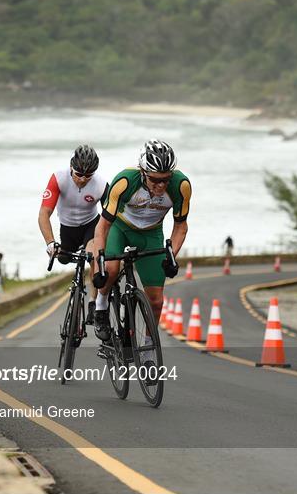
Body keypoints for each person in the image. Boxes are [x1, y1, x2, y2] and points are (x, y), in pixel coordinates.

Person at [92, 139, 192, 346]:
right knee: (110, 269)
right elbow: (102, 227)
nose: (161, 185)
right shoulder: (125, 181)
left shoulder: (181, 186)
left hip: (151, 233)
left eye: (165, 179)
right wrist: (99, 262)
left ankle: (147, 349)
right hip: (119, 228)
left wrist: (171, 255)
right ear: (143, 172)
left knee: (156, 301)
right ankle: (101, 306)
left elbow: (180, 226)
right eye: (155, 179)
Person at [38, 145, 108, 323]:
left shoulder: (100, 185)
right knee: (63, 258)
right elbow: (43, 214)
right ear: (71, 166)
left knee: (93, 256)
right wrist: (50, 243)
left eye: (88, 175)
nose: (83, 179)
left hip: (91, 225)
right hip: (67, 228)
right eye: (78, 174)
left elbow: (111, 217)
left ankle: (93, 303)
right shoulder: (58, 178)